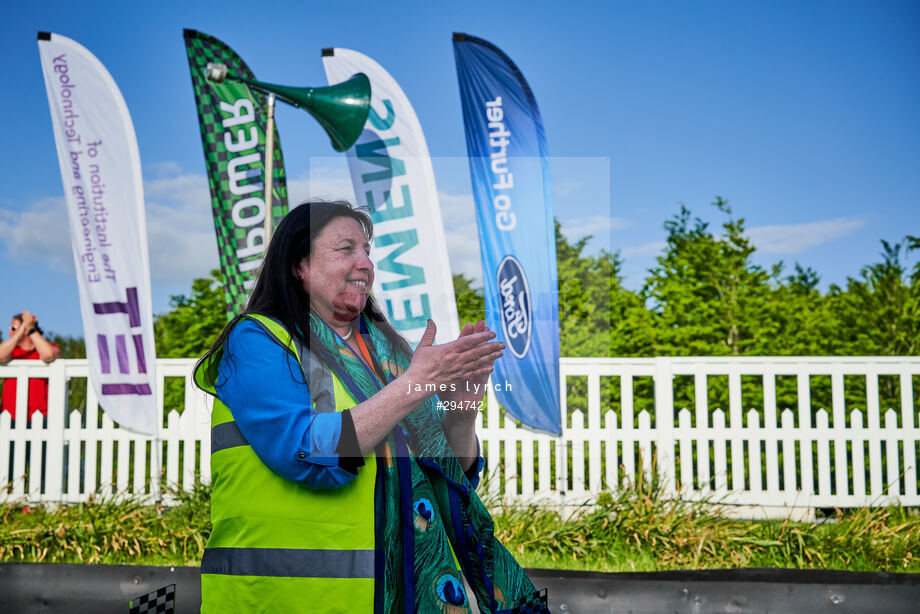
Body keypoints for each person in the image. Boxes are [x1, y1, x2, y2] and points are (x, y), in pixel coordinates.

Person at [194, 201, 547, 613]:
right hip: (278, 599)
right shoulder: (259, 339)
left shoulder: (387, 354)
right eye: (346, 249)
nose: (365, 264)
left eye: (367, 251)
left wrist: (462, 410)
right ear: (298, 265)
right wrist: (416, 387)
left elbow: (452, 476)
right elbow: (304, 451)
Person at [0, 311, 61, 421]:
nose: (9, 332)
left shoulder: (48, 347)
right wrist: (19, 333)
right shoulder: (10, 352)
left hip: (40, 417)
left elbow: (48, 354)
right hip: (9, 417)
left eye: (13, 328)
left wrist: (30, 329)